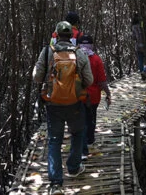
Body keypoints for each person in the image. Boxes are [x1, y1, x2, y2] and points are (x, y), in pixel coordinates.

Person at [33, 21, 94, 194]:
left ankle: (55, 183)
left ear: (57, 35)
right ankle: (74, 168)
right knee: (77, 134)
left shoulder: (47, 52)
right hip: (75, 103)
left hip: (53, 104)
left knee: (54, 141)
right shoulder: (80, 54)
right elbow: (89, 80)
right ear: (72, 36)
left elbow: (37, 78)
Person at [78, 35, 111, 160]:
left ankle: (81, 145)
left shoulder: (74, 58)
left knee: (80, 119)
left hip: (77, 95)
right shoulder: (96, 59)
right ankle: (90, 141)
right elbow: (102, 80)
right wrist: (108, 93)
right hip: (93, 96)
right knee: (90, 119)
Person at [131, 13, 146, 77]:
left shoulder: (133, 27)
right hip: (144, 44)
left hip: (138, 45)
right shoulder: (142, 24)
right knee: (145, 59)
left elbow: (133, 37)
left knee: (140, 60)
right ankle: (145, 71)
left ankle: (142, 72)